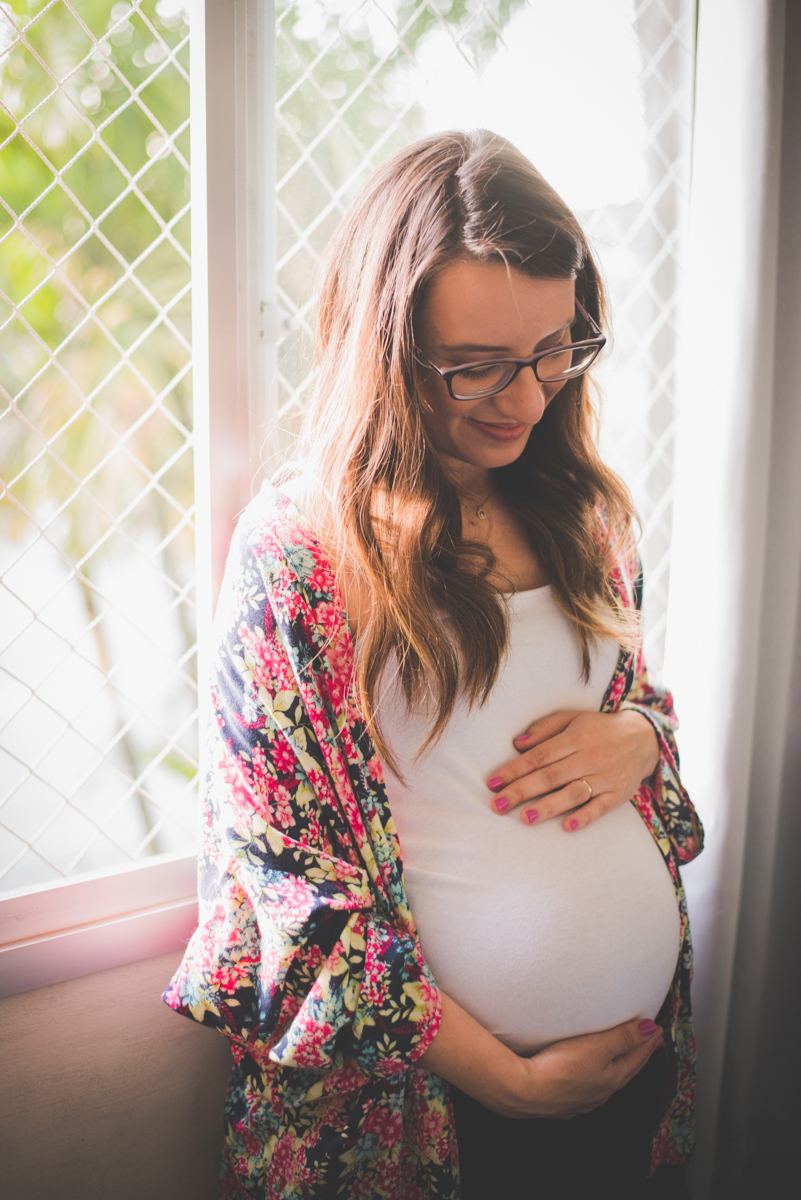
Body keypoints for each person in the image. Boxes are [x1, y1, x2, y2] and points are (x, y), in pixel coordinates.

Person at [164, 130, 704, 1200]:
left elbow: (619, 708)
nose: (527, 397)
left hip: (631, 1081)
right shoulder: (302, 555)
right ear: (386, 348)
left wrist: (639, 736)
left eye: (556, 349)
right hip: (429, 1111)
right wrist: (504, 1079)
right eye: (478, 368)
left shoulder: (587, 517)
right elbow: (282, 882)